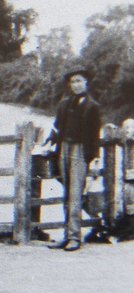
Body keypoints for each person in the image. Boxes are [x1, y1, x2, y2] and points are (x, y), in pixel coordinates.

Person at [44, 66, 102, 251]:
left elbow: (94, 136)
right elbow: (56, 129)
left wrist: (94, 158)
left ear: (86, 82)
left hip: (80, 151)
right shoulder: (64, 104)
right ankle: (66, 235)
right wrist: (48, 144)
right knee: (67, 193)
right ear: (70, 85)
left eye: (79, 80)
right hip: (64, 150)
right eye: (73, 81)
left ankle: (75, 237)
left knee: (76, 194)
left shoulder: (93, 107)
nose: (76, 84)